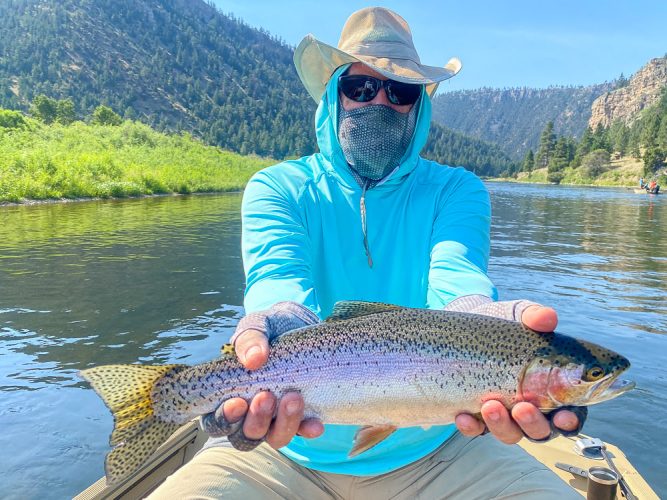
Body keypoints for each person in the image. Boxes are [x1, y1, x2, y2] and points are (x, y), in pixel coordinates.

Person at [150, 7, 584, 499]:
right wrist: (276, 320)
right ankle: (164, 401)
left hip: (439, 447)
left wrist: (487, 323)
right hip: (281, 451)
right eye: (361, 89)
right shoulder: (278, 187)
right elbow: (278, 281)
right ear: (333, 96)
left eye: (400, 92)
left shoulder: (456, 190)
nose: (379, 101)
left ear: (419, 106)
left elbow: (458, 284)